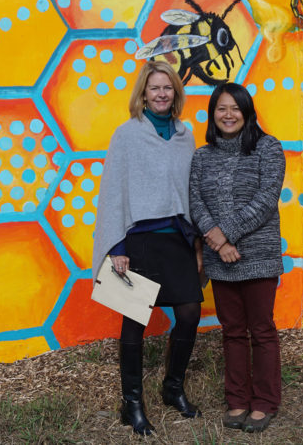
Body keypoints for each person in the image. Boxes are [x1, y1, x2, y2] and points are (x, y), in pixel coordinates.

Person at [92, 61, 204, 436]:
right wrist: (118, 246)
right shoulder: (127, 135)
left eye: (167, 88)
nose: (161, 94)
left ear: (176, 93)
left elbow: (189, 190)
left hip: (177, 237)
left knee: (189, 312)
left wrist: (199, 239)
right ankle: (133, 404)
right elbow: (113, 190)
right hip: (138, 239)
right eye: (154, 88)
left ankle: (173, 388)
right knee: (135, 319)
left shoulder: (186, 135)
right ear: (143, 93)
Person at [189, 82, 285, 433]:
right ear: (213, 114)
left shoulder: (267, 148)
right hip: (220, 258)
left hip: (257, 255)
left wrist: (223, 233)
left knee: (261, 330)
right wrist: (218, 244)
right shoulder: (202, 156)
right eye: (221, 109)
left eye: (235, 108)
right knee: (231, 331)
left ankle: (265, 402)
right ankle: (238, 400)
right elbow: (196, 201)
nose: (228, 115)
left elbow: (265, 200)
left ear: (247, 112)